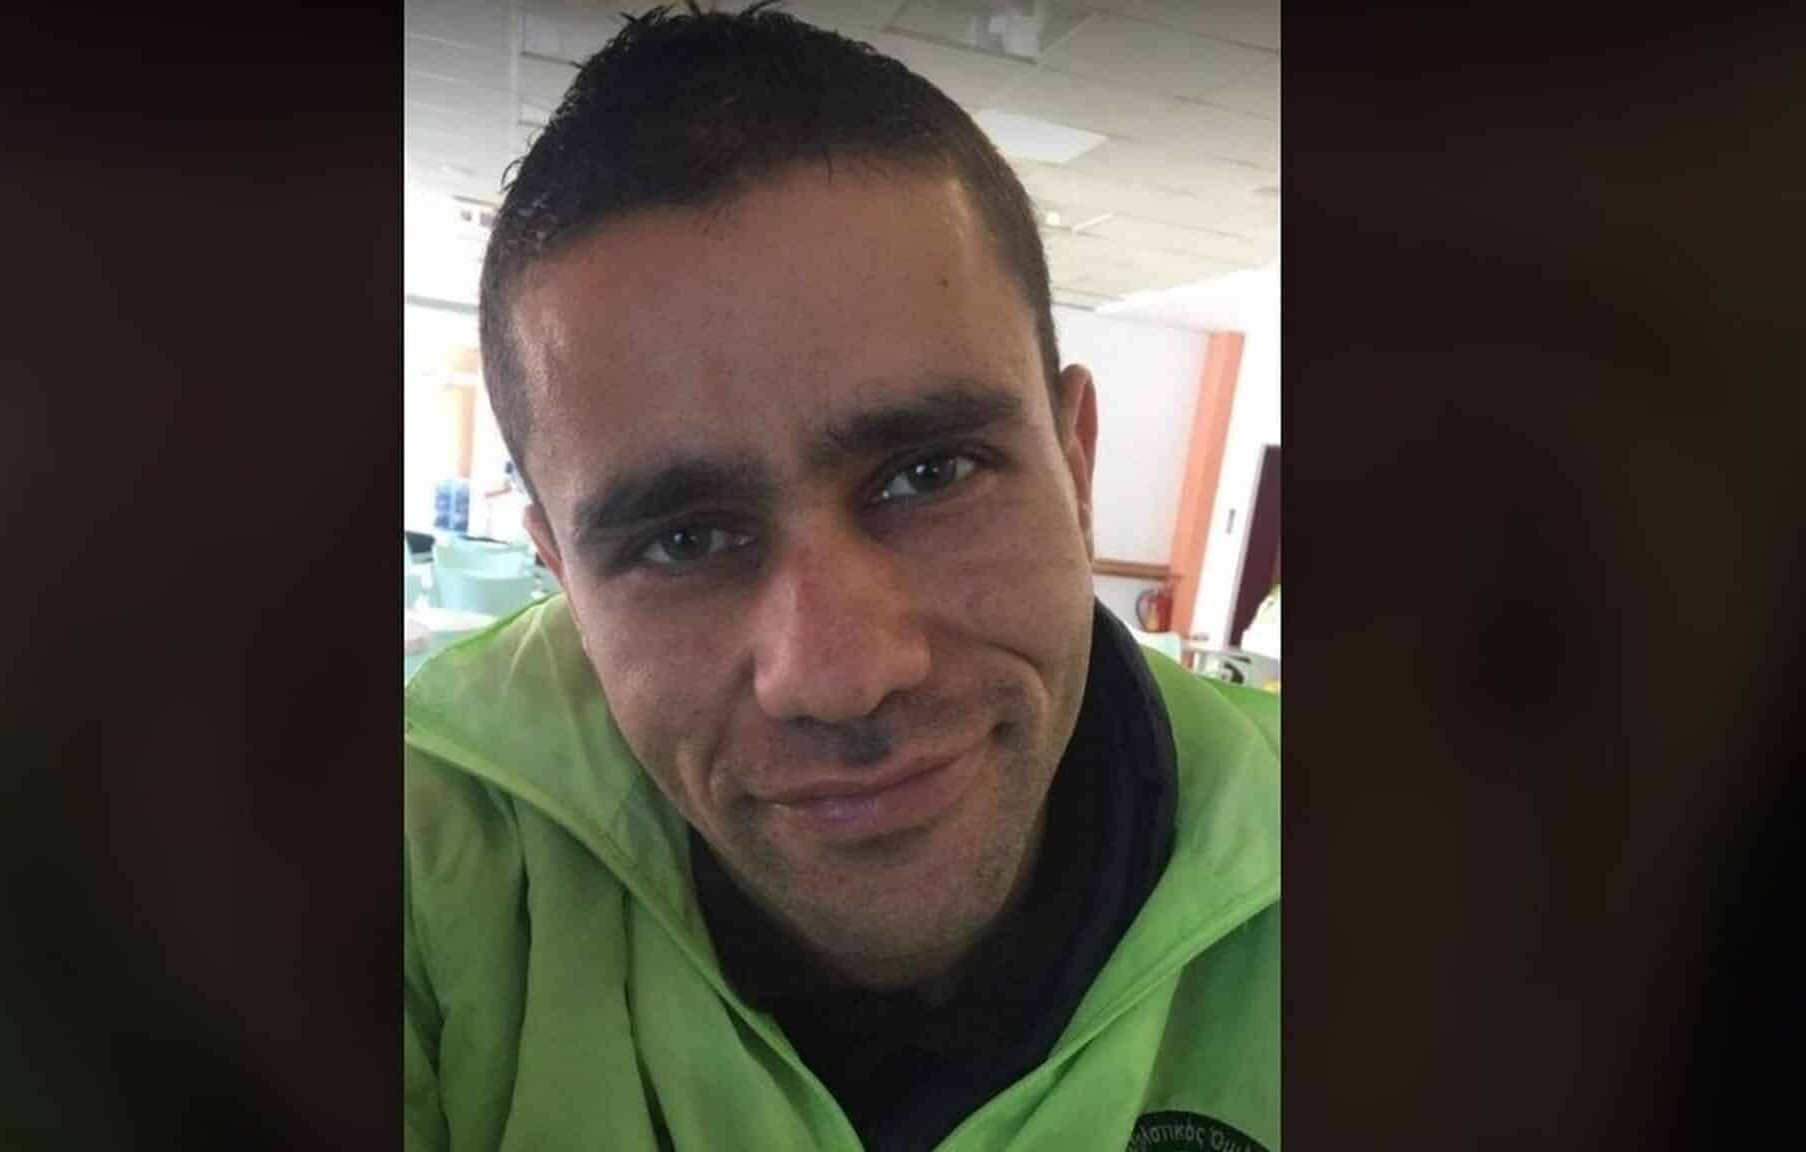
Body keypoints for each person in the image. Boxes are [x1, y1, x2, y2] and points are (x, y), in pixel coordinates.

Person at [402, 5, 1280, 1149]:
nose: (842, 676)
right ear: (562, 574)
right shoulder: (422, 869)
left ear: (1076, 462)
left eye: (928, 475)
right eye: (683, 542)